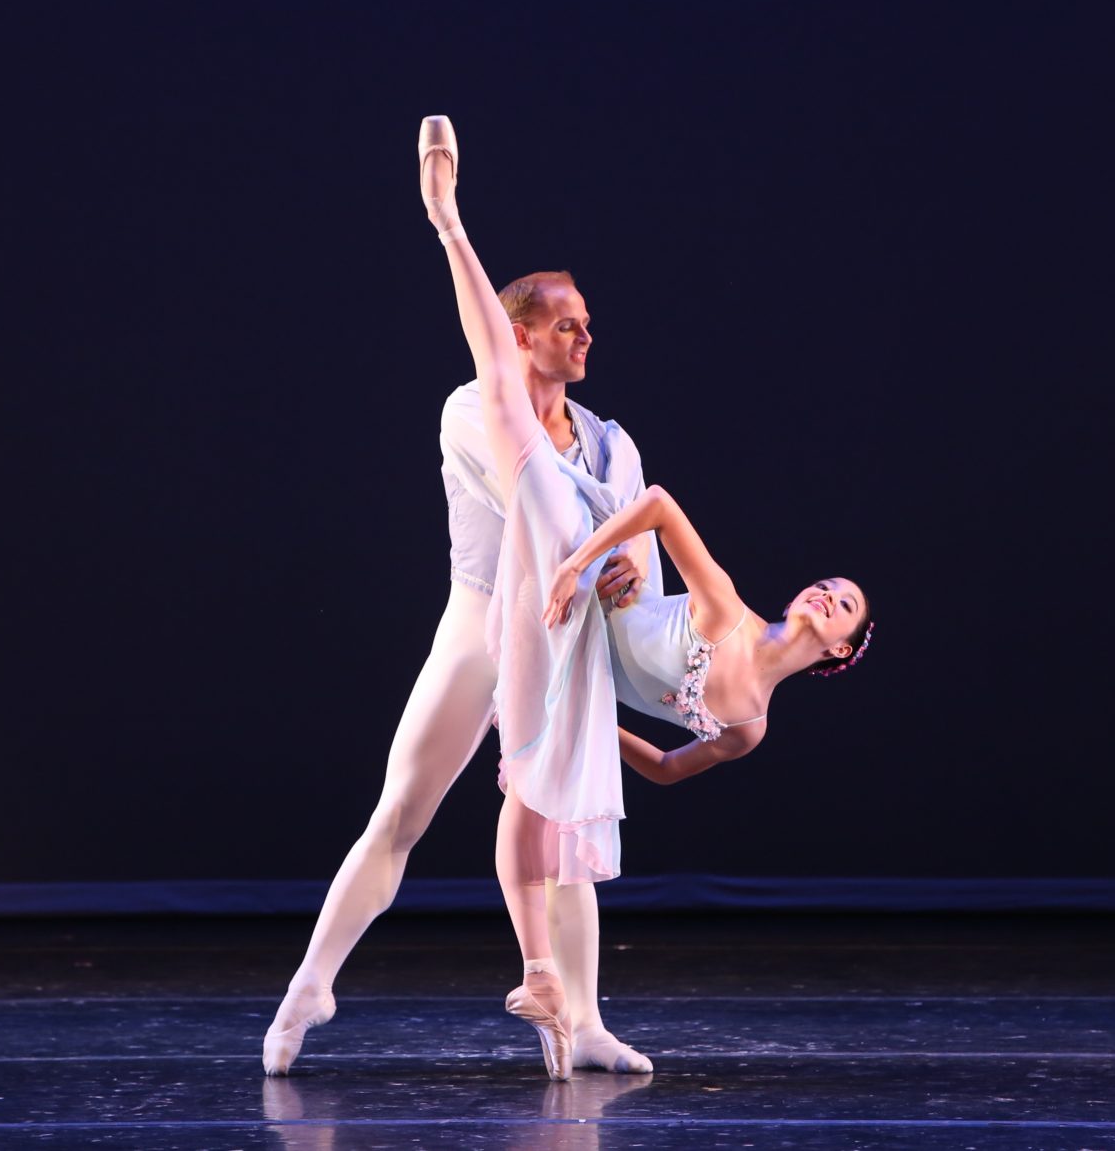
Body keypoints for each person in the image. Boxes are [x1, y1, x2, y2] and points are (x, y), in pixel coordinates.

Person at [417, 115, 874, 1078]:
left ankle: (569, 1011)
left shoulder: (751, 726)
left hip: (593, 646)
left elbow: (665, 770)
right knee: (533, 792)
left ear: (837, 655)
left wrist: (600, 737)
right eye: (829, 584)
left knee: (569, 816)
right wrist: (586, 563)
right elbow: (659, 505)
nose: (822, 594)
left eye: (839, 606)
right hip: (590, 594)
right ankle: (447, 221)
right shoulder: (728, 609)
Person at [261, 267, 660, 1077]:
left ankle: (582, 1020)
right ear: (518, 335)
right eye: (565, 324)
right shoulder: (472, 410)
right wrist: (608, 548)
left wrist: (630, 571)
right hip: (482, 625)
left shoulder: (612, 443)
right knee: (401, 810)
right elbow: (542, 513)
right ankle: (310, 985)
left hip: (563, 638)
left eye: (586, 323)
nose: (585, 336)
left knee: (567, 836)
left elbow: (636, 557)